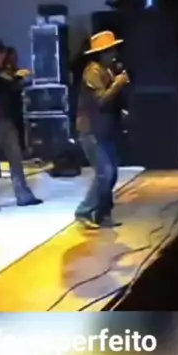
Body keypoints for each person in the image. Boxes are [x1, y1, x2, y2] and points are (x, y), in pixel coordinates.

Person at [0, 40, 42, 212]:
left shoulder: (6, 71)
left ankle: (23, 194)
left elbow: (13, 88)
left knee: (15, 158)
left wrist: (18, 78)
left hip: (6, 118)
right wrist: (11, 78)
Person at [75, 31, 129, 229]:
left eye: (114, 49)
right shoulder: (92, 71)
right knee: (105, 173)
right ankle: (84, 211)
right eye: (110, 50)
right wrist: (118, 84)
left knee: (111, 174)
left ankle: (102, 214)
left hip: (105, 130)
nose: (114, 54)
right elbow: (101, 100)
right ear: (101, 53)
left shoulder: (107, 70)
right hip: (91, 130)